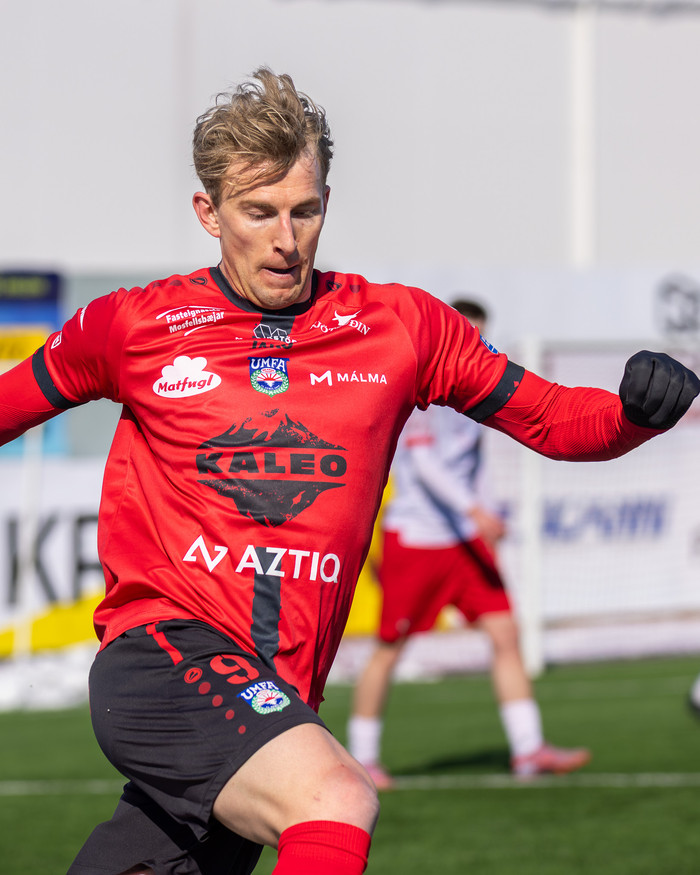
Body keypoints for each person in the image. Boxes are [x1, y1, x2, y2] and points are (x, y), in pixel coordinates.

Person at [0, 67, 697, 875]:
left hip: (275, 694)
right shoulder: (134, 325)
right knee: (335, 795)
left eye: (305, 210)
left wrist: (633, 415)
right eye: (258, 212)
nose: (285, 238)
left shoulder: (401, 326)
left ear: (327, 201)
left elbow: (551, 418)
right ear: (208, 213)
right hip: (163, 661)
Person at [347, 299, 590, 789]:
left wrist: (487, 515)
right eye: (467, 332)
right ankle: (361, 760)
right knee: (389, 648)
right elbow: (424, 465)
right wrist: (474, 511)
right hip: (418, 538)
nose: (473, 343)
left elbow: (473, 466)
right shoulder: (420, 377)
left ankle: (528, 750)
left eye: (479, 334)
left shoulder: (476, 386)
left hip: (463, 541)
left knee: (505, 634)